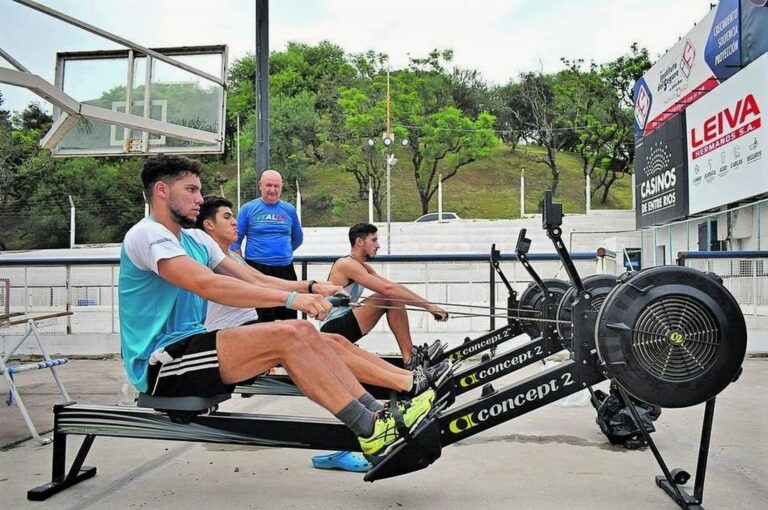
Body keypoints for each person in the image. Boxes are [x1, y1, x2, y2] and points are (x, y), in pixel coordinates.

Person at [118, 154, 434, 458]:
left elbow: (254, 277)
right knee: (291, 334)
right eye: (191, 190)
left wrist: (310, 288)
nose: (200, 198)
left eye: (199, 190)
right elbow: (207, 285)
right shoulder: (147, 235)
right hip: (160, 362)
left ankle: (379, 414)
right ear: (161, 190)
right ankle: (372, 428)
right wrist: (291, 299)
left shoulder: (195, 240)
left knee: (300, 331)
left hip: (192, 345)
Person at [195, 195, 451, 472]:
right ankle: (407, 382)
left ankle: (403, 385)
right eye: (226, 217)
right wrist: (298, 297)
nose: (235, 221)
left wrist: (312, 286)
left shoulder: (231, 257)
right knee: (311, 333)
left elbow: (263, 279)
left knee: (335, 341)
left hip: (247, 332)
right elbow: (252, 285)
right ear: (208, 226)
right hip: (230, 340)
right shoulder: (206, 254)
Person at [320, 223, 449, 368]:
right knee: (388, 297)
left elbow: (395, 287)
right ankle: (410, 359)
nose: (378, 245)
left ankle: (410, 354)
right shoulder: (345, 264)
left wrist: (430, 305)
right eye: (374, 240)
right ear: (360, 242)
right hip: (332, 328)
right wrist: (428, 307)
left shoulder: (362, 266)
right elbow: (387, 290)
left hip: (344, 323)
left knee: (394, 295)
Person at [232, 169, 302, 322]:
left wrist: (282, 253)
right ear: (260, 185)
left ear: (282, 186)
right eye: (268, 185)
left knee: (289, 316)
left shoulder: (289, 209)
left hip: (285, 270)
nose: (272, 190)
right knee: (262, 318)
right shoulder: (247, 209)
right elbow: (235, 241)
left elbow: (297, 238)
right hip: (257, 269)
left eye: (276, 186)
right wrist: (241, 267)